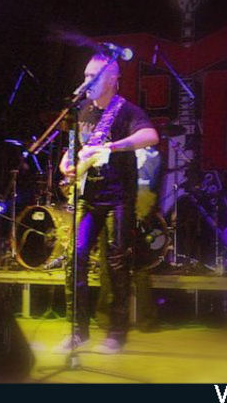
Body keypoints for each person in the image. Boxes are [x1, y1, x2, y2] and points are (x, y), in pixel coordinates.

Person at [55, 52, 159, 354]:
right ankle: (78, 331)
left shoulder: (126, 110)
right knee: (75, 258)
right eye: (85, 75)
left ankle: (116, 332)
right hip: (88, 198)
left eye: (93, 76)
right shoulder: (82, 110)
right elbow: (73, 146)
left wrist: (113, 147)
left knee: (116, 264)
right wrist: (67, 163)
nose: (86, 81)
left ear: (112, 79)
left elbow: (151, 136)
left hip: (118, 198)